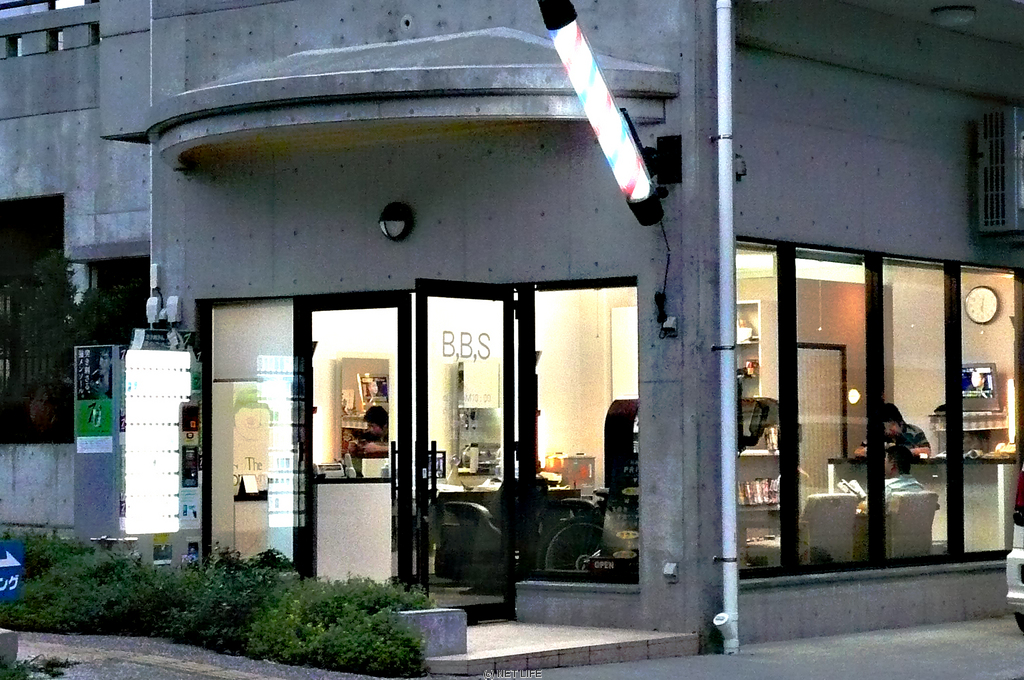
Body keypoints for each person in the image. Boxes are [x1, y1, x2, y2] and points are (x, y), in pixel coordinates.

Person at [853, 402, 931, 459]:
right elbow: (858, 452)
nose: (887, 430)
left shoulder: (914, 432)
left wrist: (904, 453)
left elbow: (927, 451)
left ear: (900, 423)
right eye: (884, 427)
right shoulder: (879, 434)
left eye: (891, 425)